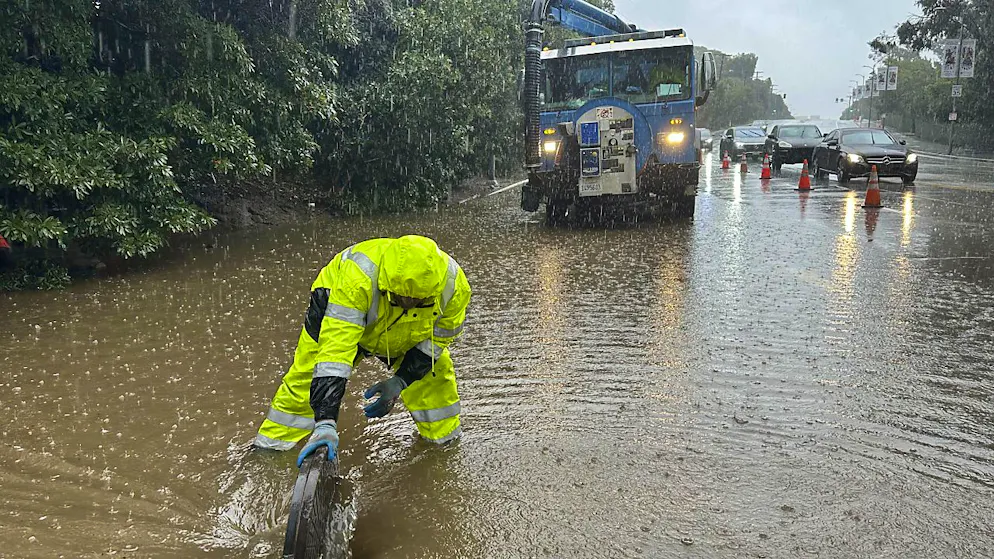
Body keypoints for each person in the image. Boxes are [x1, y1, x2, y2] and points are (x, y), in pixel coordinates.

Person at [254, 235, 472, 466]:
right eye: (401, 297)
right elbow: (334, 354)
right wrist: (326, 422)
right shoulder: (356, 278)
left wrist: (402, 380)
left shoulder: (454, 288)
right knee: (304, 384)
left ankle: (445, 450)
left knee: (435, 382)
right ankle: (268, 454)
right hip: (337, 313)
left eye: (417, 300)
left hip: (412, 329)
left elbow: (435, 344)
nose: (407, 303)